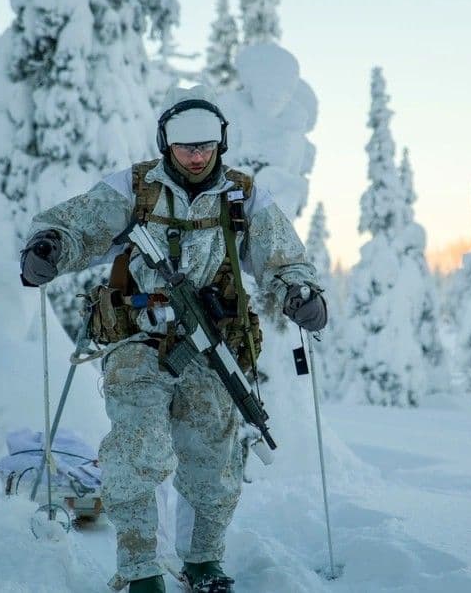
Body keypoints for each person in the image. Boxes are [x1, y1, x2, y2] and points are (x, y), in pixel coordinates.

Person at [20, 86, 327, 593]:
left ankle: (203, 562)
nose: (197, 155)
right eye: (186, 147)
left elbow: (282, 256)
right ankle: (140, 569)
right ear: (166, 144)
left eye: (206, 145)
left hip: (214, 344)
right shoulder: (134, 188)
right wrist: (49, 247)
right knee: (138, 449)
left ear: (220, 143)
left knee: (214, 458)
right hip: (137, 339)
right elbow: (74, 226)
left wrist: (299, 292)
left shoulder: (243, 196)